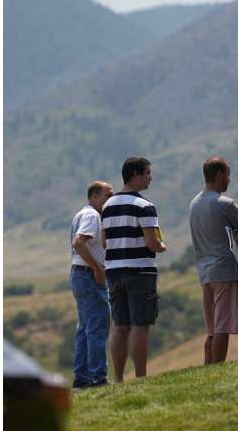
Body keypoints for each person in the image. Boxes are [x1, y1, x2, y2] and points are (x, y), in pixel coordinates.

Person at [102, 157, 167, 382]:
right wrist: (162, 246)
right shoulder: (145, 206)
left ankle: (118, 378)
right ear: (136, 175)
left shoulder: (107, 206)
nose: (151, 177)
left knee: (120, 326)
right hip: (140, 271)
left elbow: (104, 242)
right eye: (148, 173)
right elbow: (152, 243)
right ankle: (141, 377)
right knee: (140, 326)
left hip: (114, 270)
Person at [189, 157, 238, 364]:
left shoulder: (194, 204)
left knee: (211, 329)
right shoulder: (225, 204)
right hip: (225, 270)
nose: (229, 179)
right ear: (218, 176)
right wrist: (235, 238)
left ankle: (208, 368)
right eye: (227, 175)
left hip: (204, 272)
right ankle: (217, 369)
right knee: (222, 328)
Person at [69, 181, 114, 389]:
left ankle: (82, 377)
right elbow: (78, 242)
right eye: (107, 195)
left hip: (79, 275)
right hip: (87, 275)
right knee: (96, 326)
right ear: (94, 197)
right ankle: (97, 377)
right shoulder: (92, 216)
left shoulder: (80, 214)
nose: (110, 199)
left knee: (85, 327)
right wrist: (97, 268)